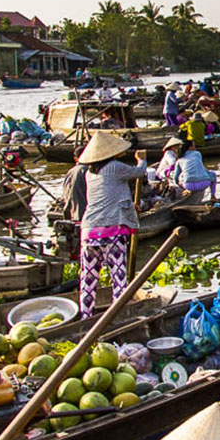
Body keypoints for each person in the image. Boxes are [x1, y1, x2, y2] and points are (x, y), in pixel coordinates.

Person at [77, 134, 149, 318]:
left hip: (88, 231)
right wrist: (142, 160)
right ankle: (118, 315)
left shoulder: (89, 173)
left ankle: (86, 315)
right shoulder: (115, 167)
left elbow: (109, 194)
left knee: (88, 278)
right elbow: (140, 172)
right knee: (118, 277)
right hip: (111, 230)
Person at [173, 139, 216, 203]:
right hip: (204, 183)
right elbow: (203, 169)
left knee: (182, 176)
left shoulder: (179, 160)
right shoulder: (197, 154)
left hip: (188, 186)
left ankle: (187, 190)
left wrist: (180, 186)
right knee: (213, 173)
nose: (195, 148)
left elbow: (175, 177)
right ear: (190, 148)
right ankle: (212, 196)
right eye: (194, 146)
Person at [61, 146, 89, 221]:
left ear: (76, 159)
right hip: (82, 214)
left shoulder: (71, 171)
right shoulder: (87, 171)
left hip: (70, 212)